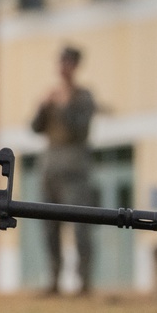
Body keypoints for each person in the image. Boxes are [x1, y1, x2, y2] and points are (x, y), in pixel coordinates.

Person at [30, 45, 97, 295]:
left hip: (75, 169)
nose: (63, 67)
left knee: (81, 226)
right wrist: (43, 105)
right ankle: (54, 279)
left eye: (68, 62)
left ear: (76, 65)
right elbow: (35, 128)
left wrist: (66, 106)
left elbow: (80, 130)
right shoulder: (52, 95)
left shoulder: (83, 97)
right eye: (61, 62)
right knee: (49, 227)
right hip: (50, 168)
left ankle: (84, 281)